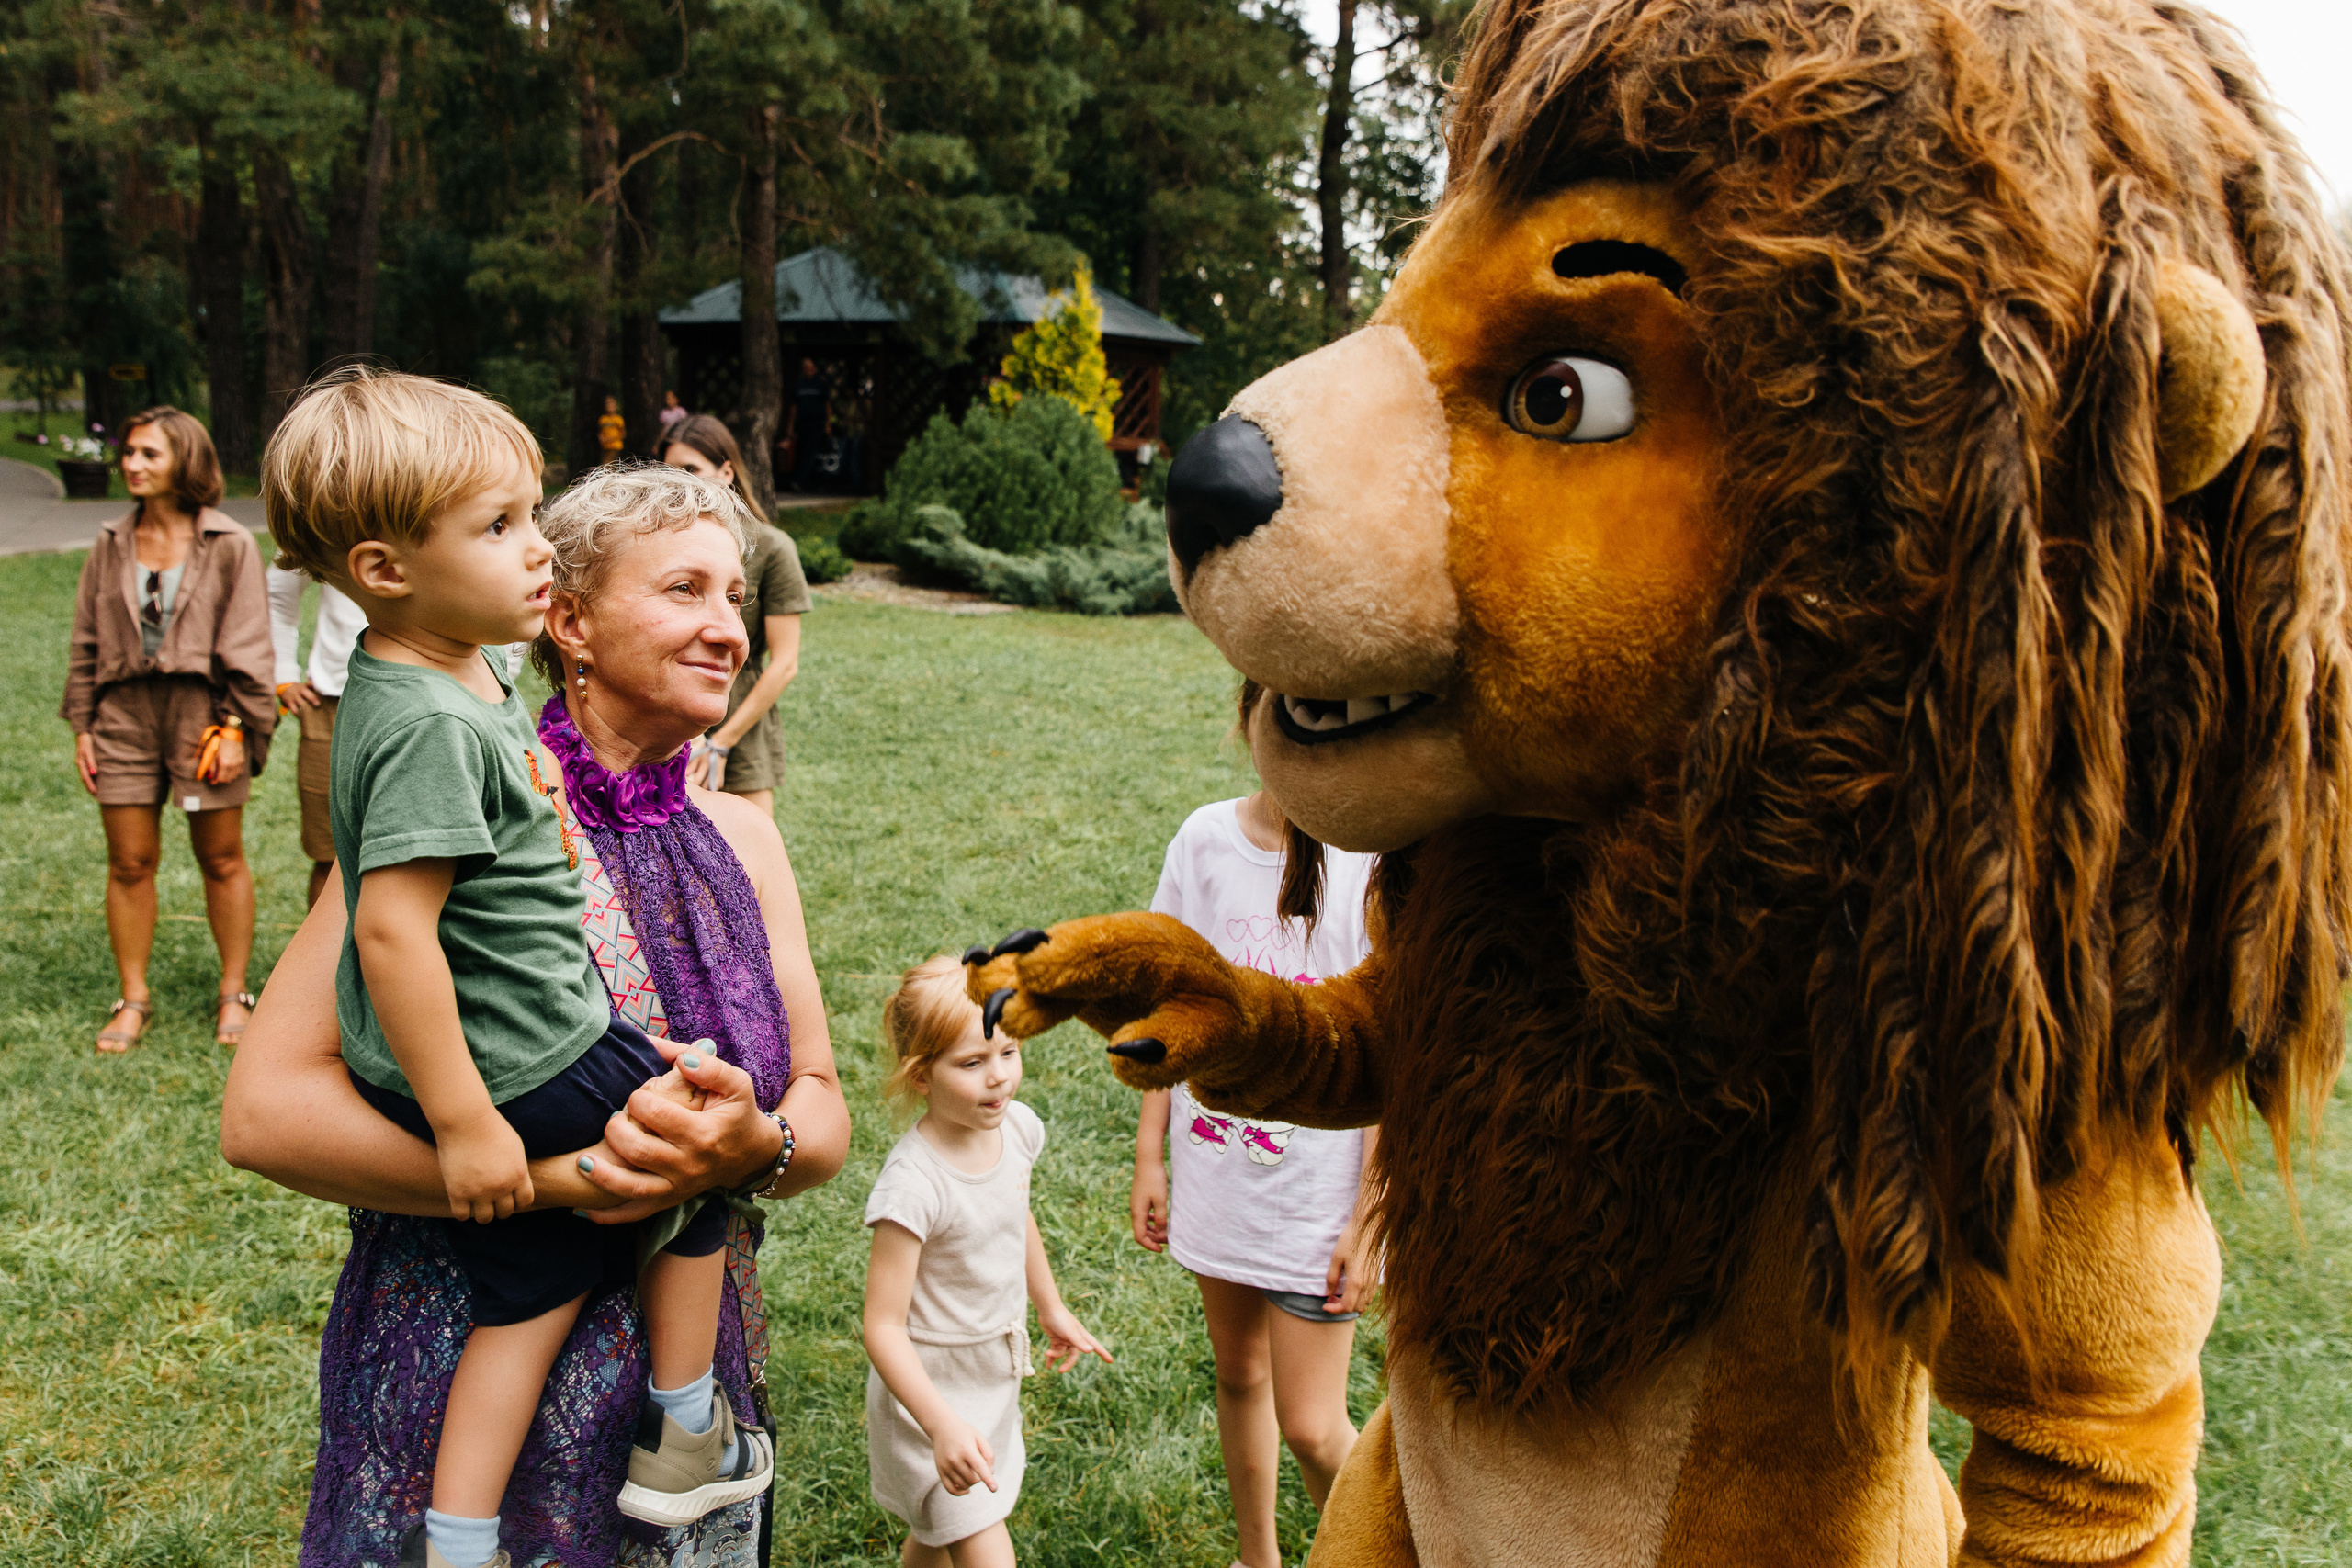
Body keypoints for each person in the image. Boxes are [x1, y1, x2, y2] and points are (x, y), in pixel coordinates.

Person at [226, 454, 849, 1568]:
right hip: (467, 1360)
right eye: (684, 590)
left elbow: (821, 1104)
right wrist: (561, 1183)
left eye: (735, 596)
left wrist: (756, 1147)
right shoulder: (456, 813)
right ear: (568, 621)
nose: (729, 629)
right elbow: (264, 1117)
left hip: (680, 1407)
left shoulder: (747, 837)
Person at [1129, 761, 1381, 1568]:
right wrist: (1149, 1154)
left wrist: (1369, 1216)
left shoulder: (1370, 862)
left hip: (1319, 1202)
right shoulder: (1204, 841)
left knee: (1312, 1425)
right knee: (1239, 1372)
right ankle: (1257, 1557)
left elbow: (1388, 1055)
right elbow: (1166, 1011)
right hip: (1218, 1177)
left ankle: (1393, 1551)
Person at [863, 956, 1111, 1568]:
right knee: (974, 1533)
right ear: (922, 1076)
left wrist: (1051, 1306)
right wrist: (940, 1425)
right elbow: (882, 1326)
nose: (999, 1076)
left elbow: (1013, 1215)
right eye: (972, 1062)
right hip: (929, 1393)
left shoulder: (1017, 1130)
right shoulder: (914, 1184)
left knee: (937, 1532)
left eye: (1008, 1052)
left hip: (990, 1375)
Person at [62, 405, 276, 1052]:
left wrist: (236, 726)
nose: (132, 464)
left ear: (186, 460)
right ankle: (132, 998)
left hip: (203, 715)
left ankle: (234, 993)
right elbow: (86, 639)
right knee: (129, 862)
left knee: (221, 857)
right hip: (122, 715)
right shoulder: (110, 541)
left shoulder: (229, 543)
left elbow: (251, 642)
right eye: (129, 452)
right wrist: (83, 723)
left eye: (148, 453)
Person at [661, 415, 810, 816]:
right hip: (668, 718)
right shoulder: (659, 547)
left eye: (691, 469)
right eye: (670, 473)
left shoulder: (773, 548)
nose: (681, 484)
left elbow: (785, 663)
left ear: (726, 473)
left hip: (741, 720)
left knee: (749, 848)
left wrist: (722, 742)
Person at [267, 565, 369, 907]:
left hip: (430, 696)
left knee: (427, 858)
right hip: (331, 703)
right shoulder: (328, 525)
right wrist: (283, 673)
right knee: (330, 854)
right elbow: (278, 592)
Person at [786, 359, 830, 493]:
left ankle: (803, 481)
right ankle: (801, 481)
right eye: (805, 367)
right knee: (802, 453)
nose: (808, 370)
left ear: (814, 368)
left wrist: (828, 424)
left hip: (817, 424)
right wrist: (790, 425)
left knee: (812, 452)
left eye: (810, 367)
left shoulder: (820, 384)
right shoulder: (799, 385)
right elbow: (794, 407)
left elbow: (827, 405)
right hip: (802, 424)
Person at [599, 396, 626, 463]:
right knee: (607, 463)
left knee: (607, 463)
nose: (609, 407)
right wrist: (601, 438)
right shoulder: (602, 419)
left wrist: (610, 439)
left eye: (611, 405)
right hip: (605, 446)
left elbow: (623, 434)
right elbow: (600, 431)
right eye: (607, 404)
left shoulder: (618, 419)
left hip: (615, 446)